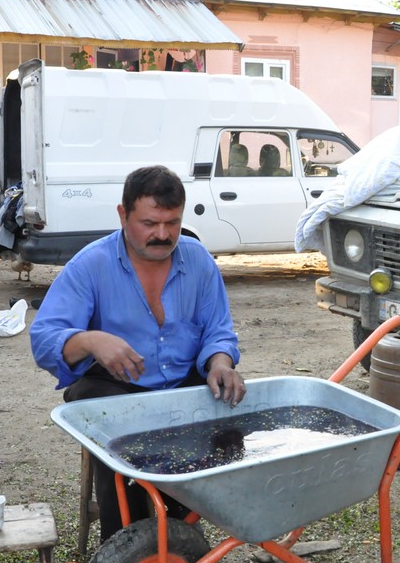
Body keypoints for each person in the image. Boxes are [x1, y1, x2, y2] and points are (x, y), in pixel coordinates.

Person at [30, 164, 246, 541]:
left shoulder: (198, 261)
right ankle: (123, 547)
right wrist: (91, 340)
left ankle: (182, 532)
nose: (162, 235)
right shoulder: (91, 264)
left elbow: (218, 331)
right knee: (107, 427)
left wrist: (220, 363)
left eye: (172, 223)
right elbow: (44, 339)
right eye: (149, 223)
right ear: (122, 214)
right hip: (118, 387)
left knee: (230, 423)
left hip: (182, 384)